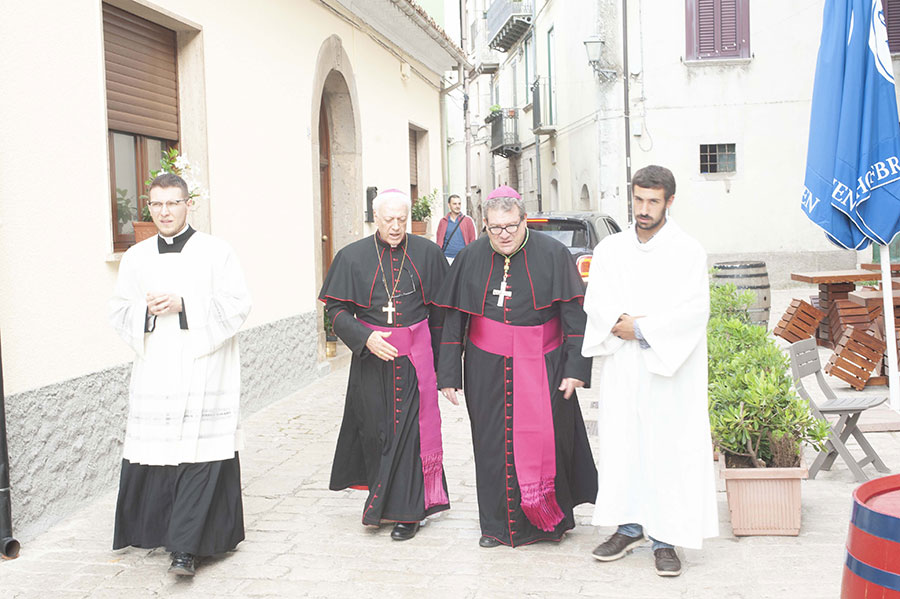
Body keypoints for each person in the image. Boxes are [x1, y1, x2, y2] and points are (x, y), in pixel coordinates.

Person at [437, 185, 597, 548]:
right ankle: (495, 527)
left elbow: (574, 315)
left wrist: (576, 368)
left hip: (545, 363)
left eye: (511, 226)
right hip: (485, 366)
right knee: (491, 443)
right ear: (485, 225)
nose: (504, 234)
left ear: (525, 220)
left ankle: (549, 522)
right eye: (495, 228)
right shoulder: (471, 256)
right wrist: (448, 374)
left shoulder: (554, 254)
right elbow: (454, 320)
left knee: (551, 440)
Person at [109, 173, 251, 576]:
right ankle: (160, 532)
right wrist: (144, 312)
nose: (165, 212)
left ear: (189, 205)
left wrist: (184, 304)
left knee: (199, 453)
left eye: (173, 203)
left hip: (204, 368)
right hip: (157, 368)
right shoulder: (136, 257)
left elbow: (239, 304)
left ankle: (186, 547)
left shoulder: (215, 252)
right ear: (149, 208)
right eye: (157, 204)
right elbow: (119, 309)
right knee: (160, 453)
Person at [581, 165, 718, 577]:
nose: (643, 209)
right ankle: (628, 527)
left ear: (669, 202)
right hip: (625, 367)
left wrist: (641, 328)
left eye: (652, 201)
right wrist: (619, 322)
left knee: (667, 450)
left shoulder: (688, 251)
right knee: (625, 446)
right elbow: (597, 300)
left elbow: (694, 310)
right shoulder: (611, 250)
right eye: (638, 199)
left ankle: (665, 538)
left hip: (669, 371)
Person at [318, 188, 450, 541]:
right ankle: (382, 499)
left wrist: (444, 367)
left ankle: (409, 512)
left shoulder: (428, 253)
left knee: (410, 435)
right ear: (374, 218)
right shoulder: (352, 257)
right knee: (379, 432)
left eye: (402, 220)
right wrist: (364, 338)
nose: (395, 226)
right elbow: (335, 311)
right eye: (388, 219)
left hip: (415, 360)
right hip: (371, 362)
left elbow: (441, 314)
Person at [435, 194, 476, 263]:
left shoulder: (467, 221)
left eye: (459, 204)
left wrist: (471, 256)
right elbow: (439, 241)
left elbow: (472, 240)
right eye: (454, 204)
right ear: (449, 205)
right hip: (447, 258)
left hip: (463, 258)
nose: (457, 206)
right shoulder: (443, 221)